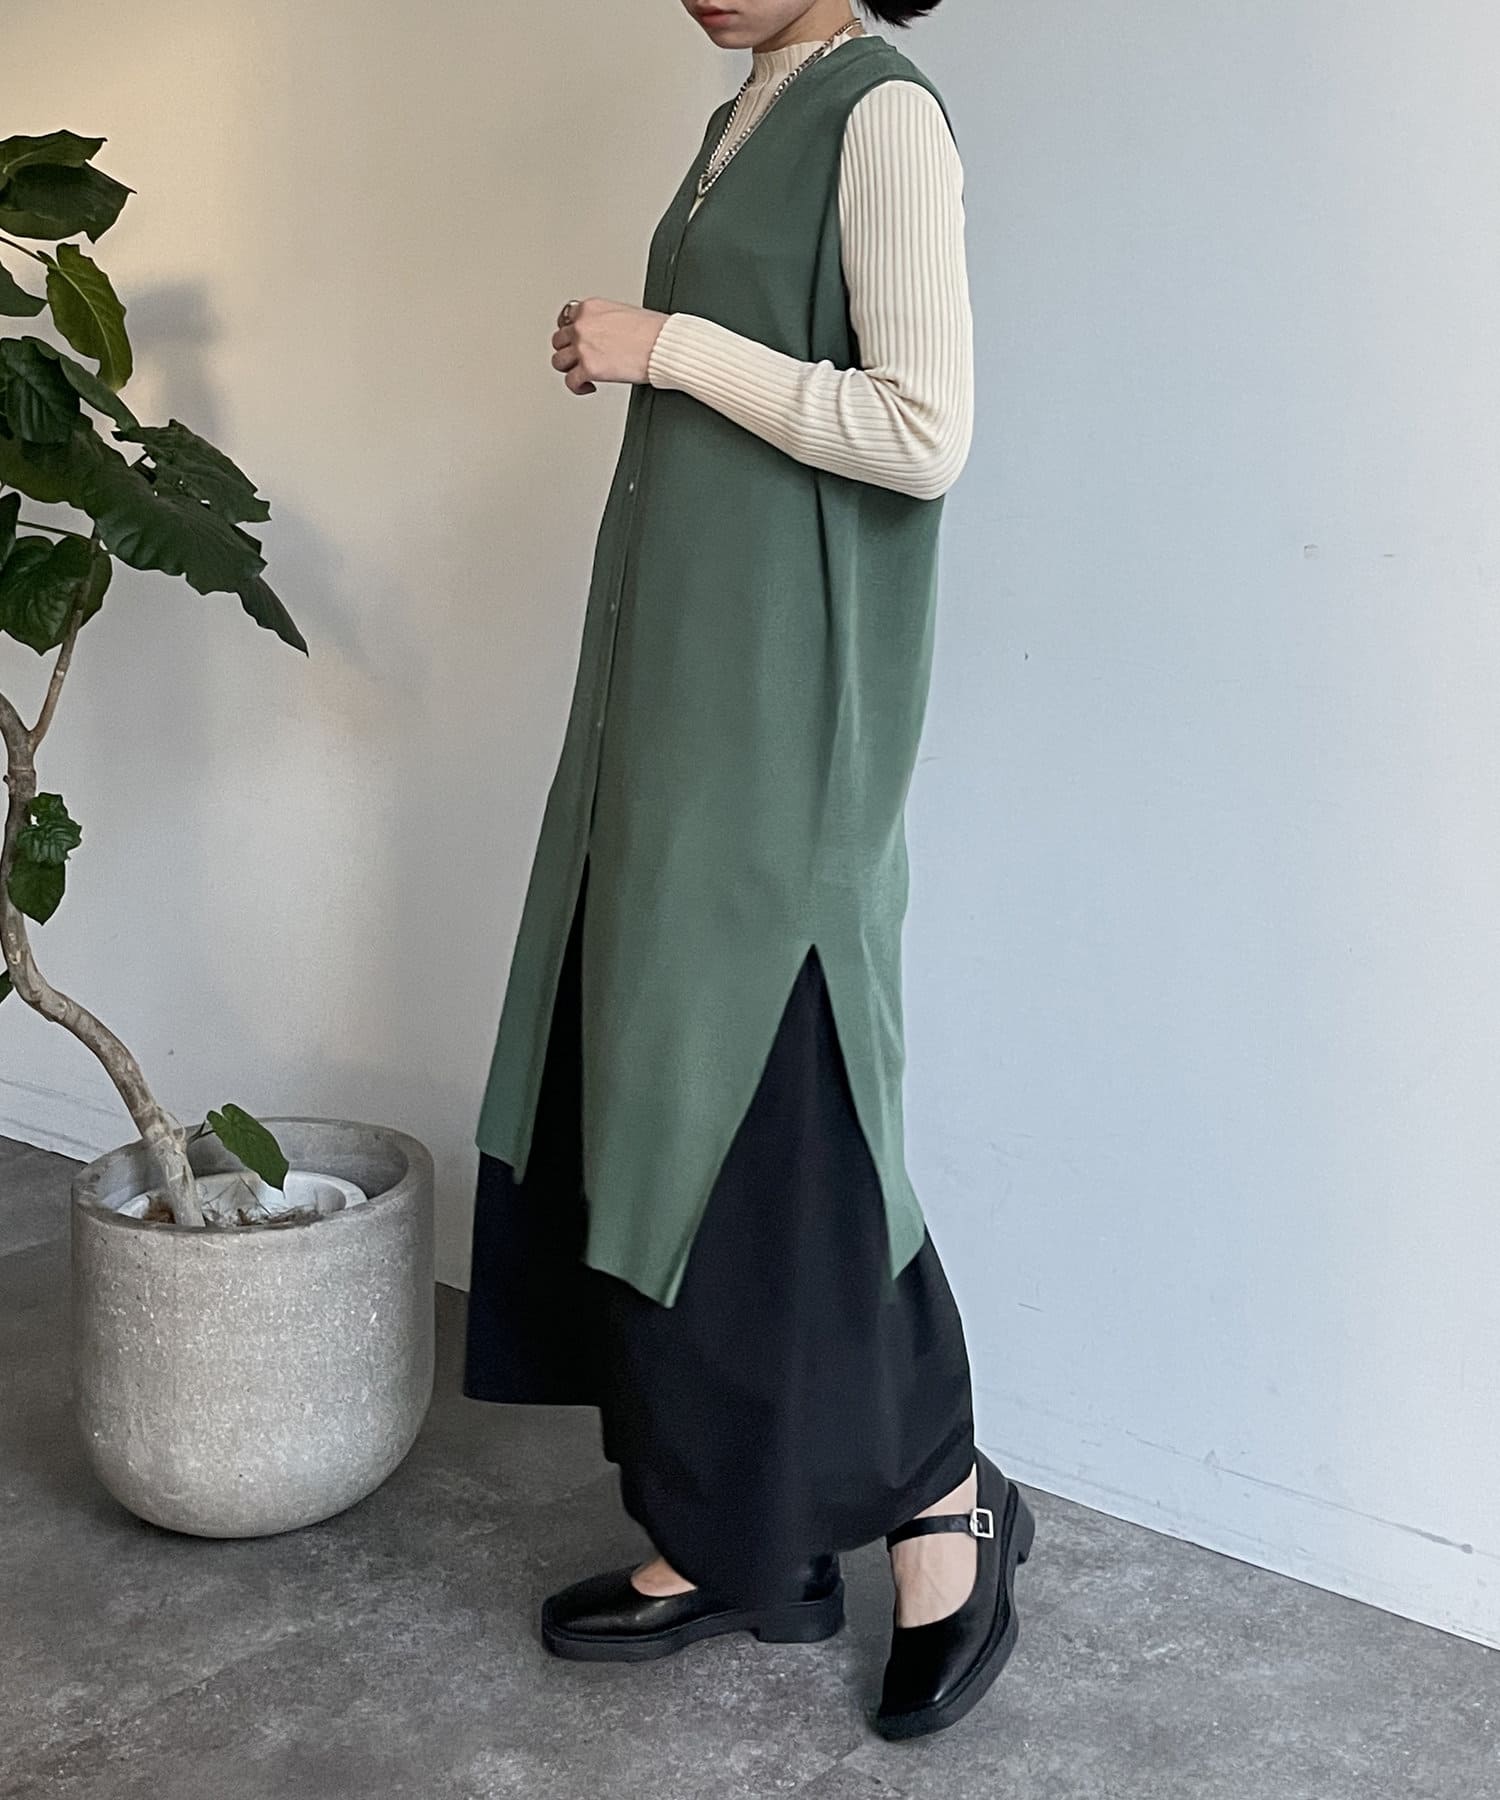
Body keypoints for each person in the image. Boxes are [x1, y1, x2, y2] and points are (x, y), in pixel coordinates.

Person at [463, 0, 1035, 1742]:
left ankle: (946, 1506)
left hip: (787, 718)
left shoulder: (884, 113)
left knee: (789, 1105)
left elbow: (924, 430)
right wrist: (652, 351)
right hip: (680, 698)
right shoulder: (752, 107)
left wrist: (673, 348)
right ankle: (737, 1537)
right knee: (654, 1087)